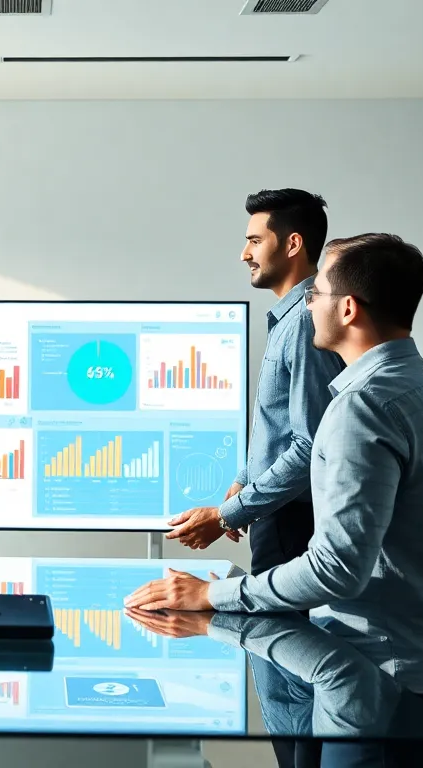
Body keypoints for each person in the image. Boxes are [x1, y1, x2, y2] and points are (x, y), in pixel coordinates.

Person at [127, 233, 423, 698]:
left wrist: (209, 596)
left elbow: (336, 570)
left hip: (371, 669)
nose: (307, 306)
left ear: (348, 308)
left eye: (316, 294)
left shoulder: (363, 407)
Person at [168, 190, 345, 581]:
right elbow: (280, 425)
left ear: (293, 243)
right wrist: (244, 480)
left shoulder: (303, 322)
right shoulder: (290, 319)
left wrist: (227, 514)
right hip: (279, 515)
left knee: (278, 637)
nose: (244, 254)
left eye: (254, 241)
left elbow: (310, 444)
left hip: (294, 521)